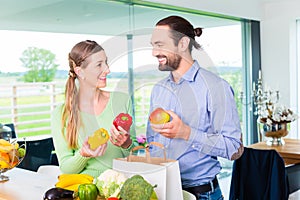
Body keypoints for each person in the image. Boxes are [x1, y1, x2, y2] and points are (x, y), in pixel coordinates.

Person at [147, 16, 244, 200]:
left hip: (202, 195)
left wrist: (186, 133)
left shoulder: (216, 87)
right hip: (161, 192)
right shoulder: (158, 90)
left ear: (183, 43)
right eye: (153, 45)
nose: (154, 52)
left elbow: (235, 148)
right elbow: (152, 145)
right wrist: (129, 144)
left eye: (160, 45)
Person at [51, 40, 136, 178]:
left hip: (122, 183)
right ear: (80, 72)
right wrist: (84, 154)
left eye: (106, 63)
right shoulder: (61, 114)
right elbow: (66, 168)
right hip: (87, 188)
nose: (107, 70)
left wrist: (127, 144)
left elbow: (135, 155)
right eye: (99, 65)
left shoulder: (122, 100)